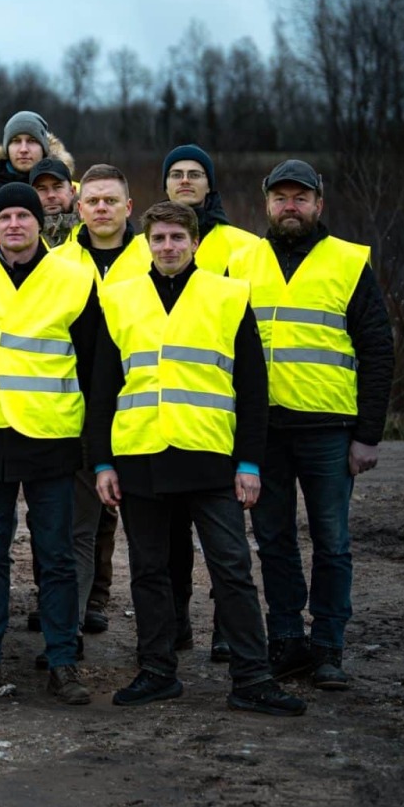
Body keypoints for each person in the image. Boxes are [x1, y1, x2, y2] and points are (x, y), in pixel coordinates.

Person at [88, 202, 303, 716]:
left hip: (211, 456)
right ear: (146, 242)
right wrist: (101, 462)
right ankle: (157, 670)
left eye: (177, 238)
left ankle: (252, 677)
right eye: (158, 238)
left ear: (195, 243)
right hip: (140, 453)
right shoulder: (117, 299)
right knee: (148, 570)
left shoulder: (228, 296)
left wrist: (250, 462)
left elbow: (253, 388)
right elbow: (102, 389)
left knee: (231, 567)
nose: (168, 247)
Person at [229, 161, 392, 688]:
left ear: (319, 204)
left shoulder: (348, 262)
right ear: (266, 204)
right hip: (264, 430)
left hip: (328, 429)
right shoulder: (240, 262)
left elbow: (377, 350)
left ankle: (327, 646)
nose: (290, 206)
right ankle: (286, 640)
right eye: (281, 198)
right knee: (273, 539)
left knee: (332, 540)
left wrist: (368, 434)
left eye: (301, 197)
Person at [0, 183, 103, 707]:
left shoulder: (76, 279)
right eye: (6, 216)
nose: (15, 224)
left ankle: (63, 661)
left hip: (52, 435)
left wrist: (93, 442)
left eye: (24, 216)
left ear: (40, 223)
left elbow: (94, 363)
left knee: (54, 555)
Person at [52, 163, 141, 634]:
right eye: (93, 201)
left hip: (150, 409)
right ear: (78, 207)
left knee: (157, 535)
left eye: (111, 201)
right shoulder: (58, 263)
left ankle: (171, 630)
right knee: (79, 526)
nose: (102, 208)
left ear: (128, 207)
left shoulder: (159, 256)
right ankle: (72, 619)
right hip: (81, 409)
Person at [161, 145, 259, 275]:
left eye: (194, 175)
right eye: (176, 175)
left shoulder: (248, 245)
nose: (185, 180)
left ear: (208, 186)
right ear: (166, 186)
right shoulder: (139, 246)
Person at [33, 158, 78, 247]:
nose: (51, 195)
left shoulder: (91, 229)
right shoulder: (21, 233)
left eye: (57, 187)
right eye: (42, 189)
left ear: (72, 191)